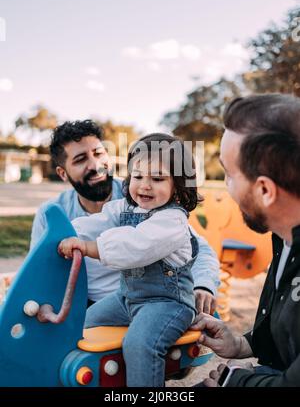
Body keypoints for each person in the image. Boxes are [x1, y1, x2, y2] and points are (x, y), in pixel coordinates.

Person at [58, 133, 212, 387]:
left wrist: (87, 248)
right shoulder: (126, 208)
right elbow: (98, 221)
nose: (144, 185)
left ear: (179, 185)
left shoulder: (172, 221)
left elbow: (135, 246)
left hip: (167, 305)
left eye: (158, 178)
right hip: (126, 298)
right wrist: (67, 234)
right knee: (82, 323)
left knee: (140, 344)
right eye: (138, 176)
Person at [30, 120, 220, 310]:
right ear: (63, 173)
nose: (96, 165)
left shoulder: (145, 196)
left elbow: (198, 249)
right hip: (87, 306)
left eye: (98, 153)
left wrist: (203, 285)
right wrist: (45, 302)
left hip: (150, 301)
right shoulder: (52, 213)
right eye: (80, 159)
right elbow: (40, 266)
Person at [192, 93, 300, 387]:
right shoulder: (282, 236)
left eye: (229, 175)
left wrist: (234, 383)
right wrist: (243, 344)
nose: (227, 189)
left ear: (265, 190)